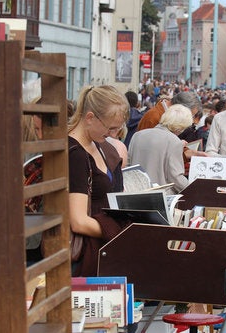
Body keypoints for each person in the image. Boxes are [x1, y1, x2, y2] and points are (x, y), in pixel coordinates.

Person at [68, 85, 130, 276]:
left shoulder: (98, 144)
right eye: (110, 128)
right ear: (90, 118)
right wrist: (122, 233)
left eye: (117, 129)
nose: (113, 134)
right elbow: (78, 221)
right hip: (84, 256)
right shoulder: (75, 154)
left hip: (99, 250)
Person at [128, 104, 193, 194]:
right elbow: (175, 177)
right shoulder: (174, 141)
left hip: (135, 192)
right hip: (160, 195)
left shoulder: (138, 135)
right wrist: (193, 190)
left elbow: (129, 164)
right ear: (180, 127)